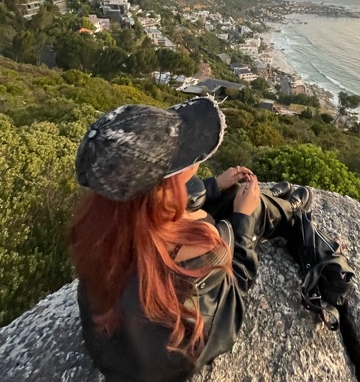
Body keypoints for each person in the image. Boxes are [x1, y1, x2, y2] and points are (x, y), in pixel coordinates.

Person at [70, 96, 312, 382]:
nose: (192, 161)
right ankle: (282, 210)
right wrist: (243, 220)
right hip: (170, 362)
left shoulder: (98, 225)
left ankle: (270, 204)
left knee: (209, 196)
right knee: (241, 213)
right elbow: (235, 293)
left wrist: (213, 187)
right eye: (183, 158)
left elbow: (151, 208)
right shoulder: (203, 244)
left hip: (112, 353)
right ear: (171, 181)